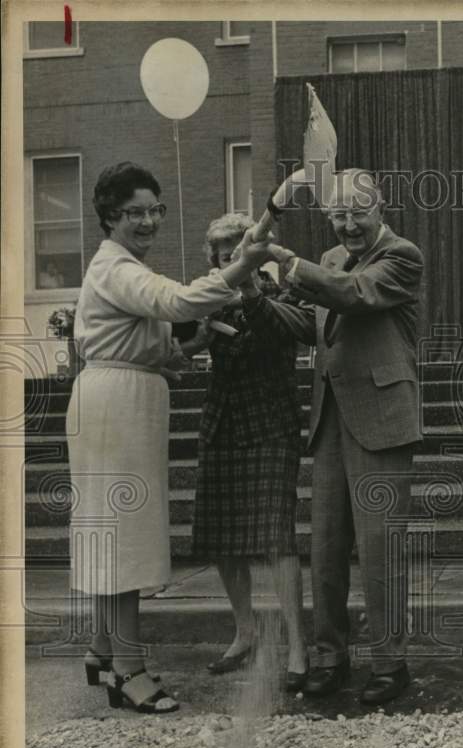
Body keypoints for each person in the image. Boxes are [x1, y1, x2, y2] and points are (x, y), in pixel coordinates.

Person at [69, 162, 269, 714]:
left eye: (155, 210)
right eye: (135, 212)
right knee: (124, 537)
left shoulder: (122, 267)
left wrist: (192, 344)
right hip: (115, 410)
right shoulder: (116, 267)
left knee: (114, 531)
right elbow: (178, 301)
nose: (149, 221)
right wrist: (242, 266)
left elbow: (147, 345)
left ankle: (103, 649)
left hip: (124, 402)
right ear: (110, 216)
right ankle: (128, 672)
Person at [244, 169, 422, 705]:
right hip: (330, 422)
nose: (347, 224)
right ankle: (329, 657)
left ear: (381, 208)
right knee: (325, 550)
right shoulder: (327, 261)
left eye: (357, 212)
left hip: (382, 420)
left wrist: (284, 261)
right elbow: (311, 325)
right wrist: (253, 291)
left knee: (379, 551)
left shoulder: (402, 257)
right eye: (337, 214)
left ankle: (390, 664)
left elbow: (354, 296)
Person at [182, 213, 309, 691]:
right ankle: (246, 631)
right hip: (222, 421)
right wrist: (197, 333)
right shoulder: (207, 296)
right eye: (223, 261)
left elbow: (292, 332)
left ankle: (297, 644)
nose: (231, 267)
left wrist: (251, 295)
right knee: (221, 536)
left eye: (239, 257)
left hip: (270, 422)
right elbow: (179, 334)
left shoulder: (282, 294)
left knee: (277, 535)